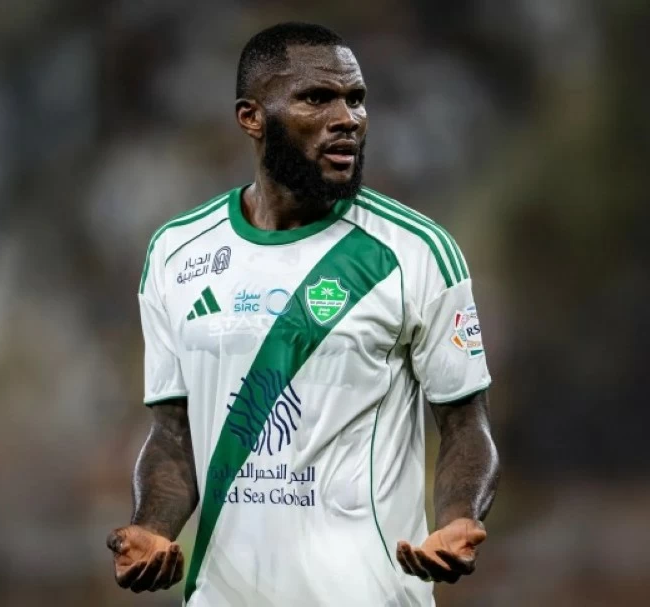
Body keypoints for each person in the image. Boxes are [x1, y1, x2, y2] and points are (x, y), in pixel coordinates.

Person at [106, 21, 499, 607]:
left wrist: (458, 516)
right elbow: (172, 434)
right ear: (252, 117)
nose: (348, 119)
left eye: (356, 99)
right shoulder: (176, 253)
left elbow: (467, 427)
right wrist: (150, 527)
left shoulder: (416, 253)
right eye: (317, 98)